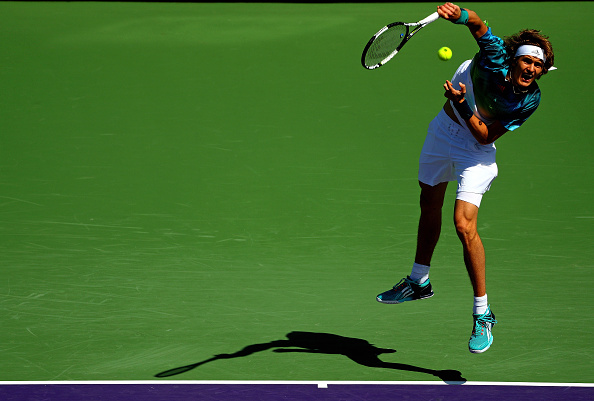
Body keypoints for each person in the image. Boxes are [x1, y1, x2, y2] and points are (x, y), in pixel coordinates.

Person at [376, 2, 555, 354]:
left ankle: (482, 312)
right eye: (527, 61)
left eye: (538, 65)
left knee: (463, 224)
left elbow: (485, 137)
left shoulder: (529, 99)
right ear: (513, 58)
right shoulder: (494, 55)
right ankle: (418, 281)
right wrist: (457, 13)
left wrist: (461, 103)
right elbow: (475, 22)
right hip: (443, 131)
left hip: (475, 149)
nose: (532, 69)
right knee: (429, 202)